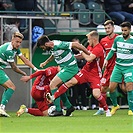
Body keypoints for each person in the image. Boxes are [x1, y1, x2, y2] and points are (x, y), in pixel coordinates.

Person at [46, 31, 112, 117]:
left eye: (89, 39)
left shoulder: (98, 49)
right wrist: (73, 57)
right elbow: (83, 56)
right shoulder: (90, 46)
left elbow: (89, 59)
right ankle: (53, 97)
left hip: (95, 74)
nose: (88, 41)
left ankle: (106, 110)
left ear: (94, 39)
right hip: (85, 71)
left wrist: (80, 50)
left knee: (96, 94)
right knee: (70, 82)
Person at [37, 35, 90, 116]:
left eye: (43, 47)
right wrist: (46, 62)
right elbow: (54, 55)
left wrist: (88, 53)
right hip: (65, 68)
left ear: (46, 44)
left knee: (53, 85)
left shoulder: (59, 44)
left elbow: (76, 45)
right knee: (59, 87)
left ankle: (58, 110)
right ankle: (69, 107)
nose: (43, 49)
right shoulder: (52, 47)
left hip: (70, 68)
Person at [0, 32, 38, 117]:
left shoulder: (15, 49)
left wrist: (35, 69)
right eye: (17, 42)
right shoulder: (8, 50)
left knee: (9, 87)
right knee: (11, 87)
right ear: (12, 40)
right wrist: (23, 73)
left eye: (20, 42)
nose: (18, 44)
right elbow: (14, 67)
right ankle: (1, 108)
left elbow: (25, 60)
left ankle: (2, 108)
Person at [104, 21, 133, 116]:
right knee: (111, 88)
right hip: (118, 66)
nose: (123, 32)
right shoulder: (118, 39)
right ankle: (115, 105)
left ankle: (131, 109)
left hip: (129, 67)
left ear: (129, 30)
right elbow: (112, 51)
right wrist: (106, 59)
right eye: (122, 30)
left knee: (129, 86)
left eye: (125, 30)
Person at [94, 20, 119, 115]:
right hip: (108, 68)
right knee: (103, 88)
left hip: (119, 67)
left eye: (109, 28)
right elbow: (101, 53)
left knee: (126, 88)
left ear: (113, 28)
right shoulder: (103, 41)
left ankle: (129, 108)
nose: (107, 30)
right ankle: (101, 108)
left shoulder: (119, 38)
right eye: (105, 28)